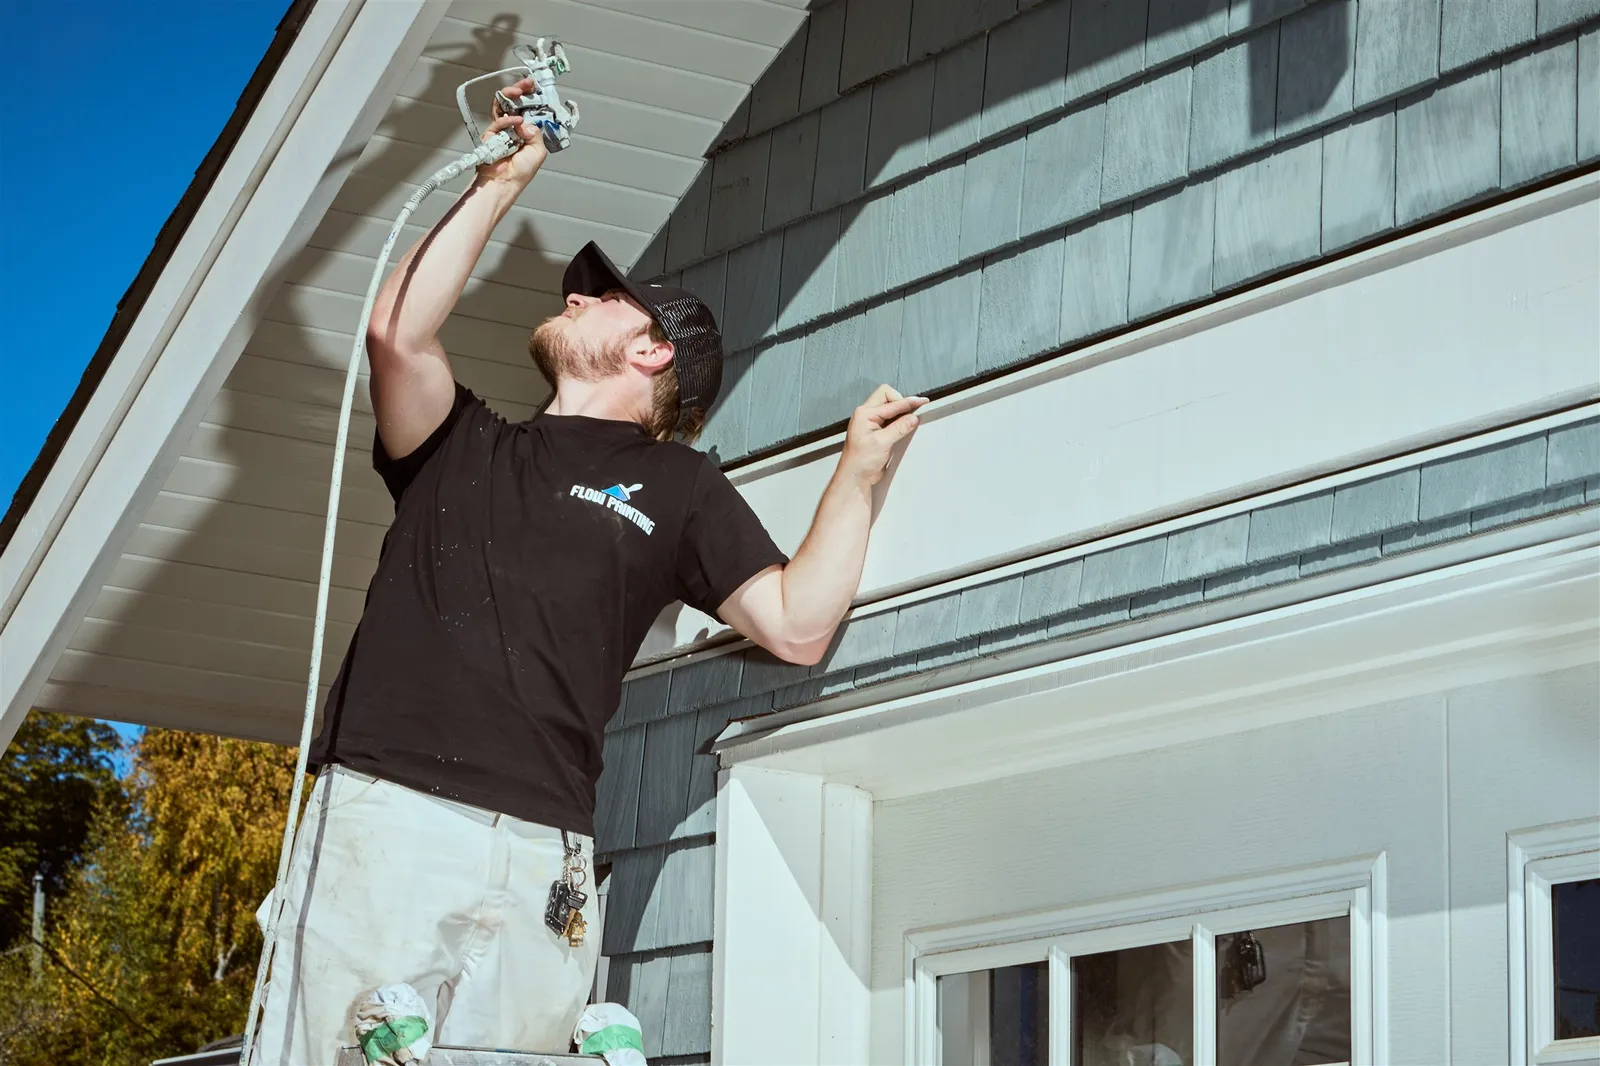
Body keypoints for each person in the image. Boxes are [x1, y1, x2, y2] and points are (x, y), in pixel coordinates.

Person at [250, 76, 925, 1062]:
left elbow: (795, 623)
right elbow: (397, 333)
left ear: (656, 353)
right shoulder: (459, 447)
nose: (574, 294)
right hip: (388, 818)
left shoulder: (679, 487)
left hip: (545, 850)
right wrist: (503, 176)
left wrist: (859, 470)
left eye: (604, 297)